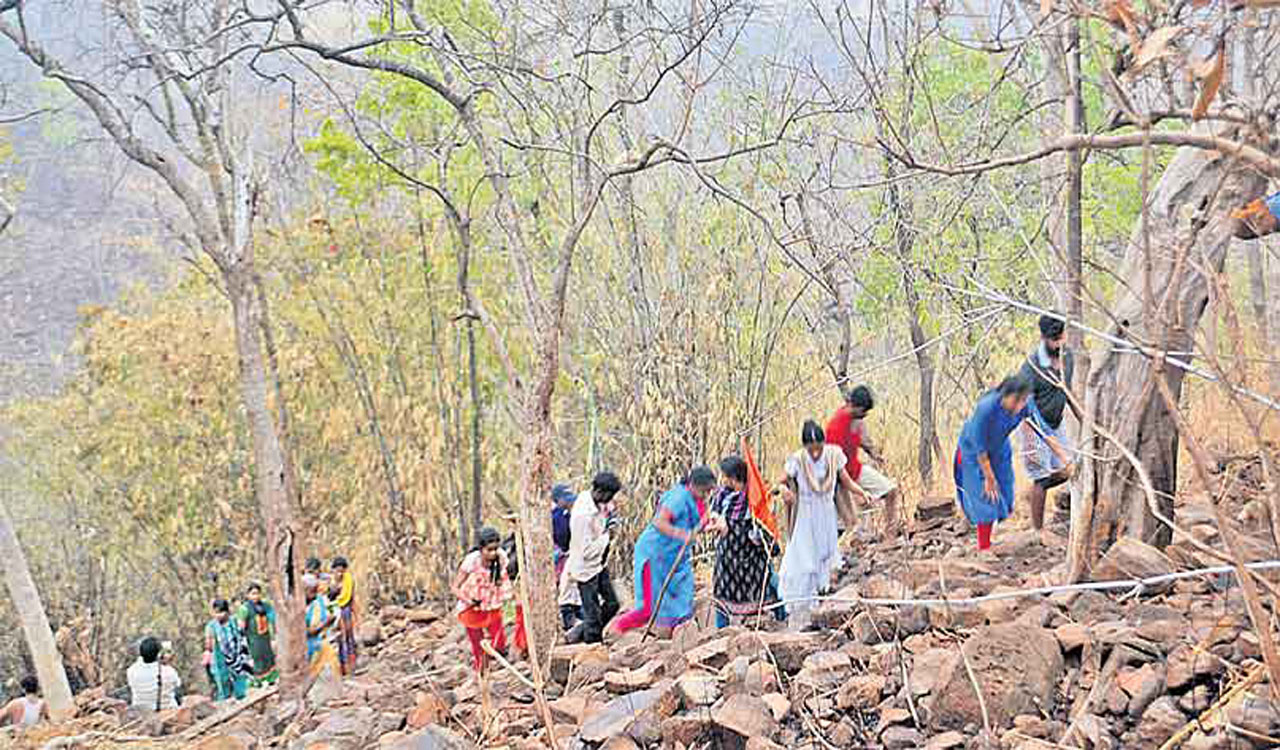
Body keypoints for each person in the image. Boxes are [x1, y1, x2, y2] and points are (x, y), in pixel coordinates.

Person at [955, 374, 1073, 555]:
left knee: (1005, 495)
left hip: (1000, 447)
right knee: (986, 495)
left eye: (1024, 400)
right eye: (1017, 400)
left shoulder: (1026, 405)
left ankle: (990, 529)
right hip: (974, 450)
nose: (1020, 405)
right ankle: (984, 546)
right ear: (1004, 395)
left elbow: (1045, 432)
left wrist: (1066, 459)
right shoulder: (986, 407)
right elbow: (979, 445)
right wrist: (988, 476)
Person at [611, 466, 716, 638]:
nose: (706, 495)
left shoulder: (697, 500)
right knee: (647, 608)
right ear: (694, 485)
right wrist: (683, 535)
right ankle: (615, 631)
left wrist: (710, 525)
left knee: (683, 599)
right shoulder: (678, 497)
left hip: (675, 558)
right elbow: (660, 522)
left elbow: (696, 526)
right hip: (654, 554)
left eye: (709, 491)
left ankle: (679, 637)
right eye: (705, 490)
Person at [777, 421, 861, 629]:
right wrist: (784, 491)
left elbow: (846, 482)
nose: (815, 453)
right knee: (805, 561)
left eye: (818, 447)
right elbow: (779, 483)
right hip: (805, 515)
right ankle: (802, 605)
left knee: (824, 556)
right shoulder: (797, 460)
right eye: (811, 449)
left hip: (825, 514)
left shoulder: (833, 455)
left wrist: (862, 493)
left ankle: (820, 602)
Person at [1019, 315, 1080, 544]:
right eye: (1053, 339)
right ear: (1043, 337)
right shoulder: (1032, 365)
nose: (1057, 343)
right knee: (1042, 477)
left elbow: (1068, 391)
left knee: (1071, 469)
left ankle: (1036, 491)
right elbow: (1025, 407)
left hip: (1056, 420)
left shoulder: (1068, 357)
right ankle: (1037, 531)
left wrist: (1083, 417)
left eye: (1060, 338)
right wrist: (1045, 441)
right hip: (1032, 424)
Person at [709, 456, 780, 628]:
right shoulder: (722, 495)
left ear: (734, 477)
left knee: (770, 586)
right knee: (721, 593)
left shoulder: (754, 497)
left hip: (751, 557)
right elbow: (714, 515)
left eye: (725, 476)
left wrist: (758, 536)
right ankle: (722, 630)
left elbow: (766, 524)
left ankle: (781, 618)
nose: (723, 479)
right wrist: (716, 523)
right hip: (727, 556)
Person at [825, 385, 902, 541]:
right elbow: (833, 467)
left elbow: (860, 440)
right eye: (863, 411)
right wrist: (856, 492)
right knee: (852, 524)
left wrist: (874, 453)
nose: (865, 415)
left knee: (891, 491)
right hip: (840, 479)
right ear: (854, 406)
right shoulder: (835, 427)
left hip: (856, 469)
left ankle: (890, 537)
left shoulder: (856, 419)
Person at [563, 472, 622, 644]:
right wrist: (607, 536)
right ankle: (591, 649)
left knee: (612, 604)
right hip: (585, 569)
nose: (610, 500)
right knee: (593, 616)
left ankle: (579, 631)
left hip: (598, 565)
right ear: (600, 492)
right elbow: (586, 550)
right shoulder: (583, 515)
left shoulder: (593, 501)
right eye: (609, 496)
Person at [452, 526, 512, 672]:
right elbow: (455, 587)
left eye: (495, 549)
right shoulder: (471, 561)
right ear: (480, 549)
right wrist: (468, 600)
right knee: (477, 644)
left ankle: (498, 662)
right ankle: (482, 673)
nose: (492, 553)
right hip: (472, 605)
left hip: (492, 603)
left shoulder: (502, 557)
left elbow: (503, 580)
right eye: (489, 550)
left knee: (499, 641)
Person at [203, 599, 251, 701]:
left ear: (227, 611)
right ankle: (225, 700)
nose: (219, 615)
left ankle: (242, 698)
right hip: (220, 657)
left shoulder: (234, 621)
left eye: (221, 612)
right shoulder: (211, 626)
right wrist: (208, 653)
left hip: (237, 654)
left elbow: (242, 636)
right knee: (222, 680)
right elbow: (209, 643)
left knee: (240, 678)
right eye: (216, 613)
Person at [236, 583, 278, 687]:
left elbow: (273, 617)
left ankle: (271, 679)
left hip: (265, 637)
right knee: (257, 659)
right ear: (248, 595)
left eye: (257, 593)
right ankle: (257, 682)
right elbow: (241, 625)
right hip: (253, 639)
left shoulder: (265, 606)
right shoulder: (244, 609)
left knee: (269, 658)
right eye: (253, 594)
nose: (256, 596)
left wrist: (275, 634)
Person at [127, 636, 182, 712]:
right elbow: (177, 684)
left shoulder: (131, 671)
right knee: (177, 693)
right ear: (159, 654)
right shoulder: (169, 671)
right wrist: (166, 663)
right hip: (166, 710)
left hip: (141, 710)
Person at [304, 577, 340, 679]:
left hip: (321, 642)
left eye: (316, 591)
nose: (315, 595)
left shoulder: (317, 602)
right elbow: (306, 632)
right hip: (308, 647)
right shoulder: (297, 608)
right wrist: (326, 623)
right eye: (312, 592)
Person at [329, 557, 357, 676]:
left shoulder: (348, 579)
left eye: (342, 571)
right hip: (333, 610)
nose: (339, 573)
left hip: (344, 609)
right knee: (337, 638)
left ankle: (350, 666)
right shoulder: (331, 580)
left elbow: (346, 597)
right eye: (337, 571)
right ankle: (340, 665)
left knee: (348, 636)